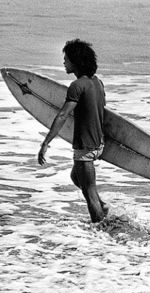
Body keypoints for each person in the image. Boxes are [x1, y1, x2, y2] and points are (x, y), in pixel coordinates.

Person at [37, 39, 107, 223]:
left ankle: (100, 228)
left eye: (66, 59)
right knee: (76, 177)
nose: (64, 62)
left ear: (76, 62)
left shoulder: (77, 86)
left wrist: (45, 143)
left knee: (88, 192)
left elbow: (62, 116)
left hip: (85, 146)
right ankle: (103, 206)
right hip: (98, 142)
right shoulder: (97, 83)